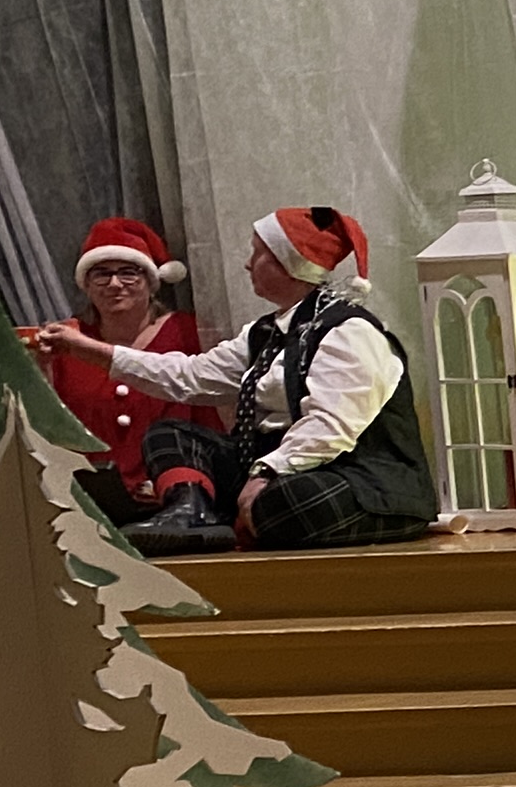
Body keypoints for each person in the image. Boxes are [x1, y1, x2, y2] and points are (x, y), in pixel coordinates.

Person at [30, 205, 435, 557]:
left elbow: (331, 426)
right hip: (276, 470)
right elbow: (189, 377)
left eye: (257, 254)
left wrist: (266, 473)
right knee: (170, 433)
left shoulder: (349, 331)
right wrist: (88, 350)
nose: (247, 264)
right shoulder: (264, 333)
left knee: (289, 500)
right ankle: (192, 516)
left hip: (357, 477)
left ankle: (244, 519)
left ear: (287, 264)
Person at [32, 218, 219, 506]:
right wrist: (42, 365)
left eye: (128, 273)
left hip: (176, 498)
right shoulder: (67, 341)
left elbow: (212, 420)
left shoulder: (189, 333)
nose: (115, 284)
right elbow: (47, 424)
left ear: (151, 282)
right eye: (101, 274)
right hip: (89, 500)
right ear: (86, 285)